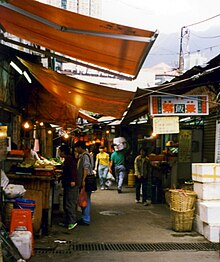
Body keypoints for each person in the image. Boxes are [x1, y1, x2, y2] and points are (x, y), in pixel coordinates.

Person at [58, 144, 78, 230]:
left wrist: (73, 180)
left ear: (63, 152)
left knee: (70, 203)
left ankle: (72, 222)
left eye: (59, 151)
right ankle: (67, 221)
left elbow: (73, 170)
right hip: (67, 183)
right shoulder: (67, 158)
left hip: (71, 184)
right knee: (66, 203)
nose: (58, 153)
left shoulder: (69, 159)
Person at [74, 141, 93, 225]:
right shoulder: (85, 155)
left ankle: (86, 219)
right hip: (87, 179)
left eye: (76, 148)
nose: (76, 149)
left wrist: (83, 180)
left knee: (85, 198)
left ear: (80, 147)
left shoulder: (85, 156)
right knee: (85, 198)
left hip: (87, 179)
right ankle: (84, 217)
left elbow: (86, 168)